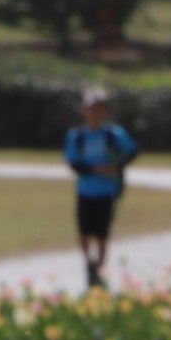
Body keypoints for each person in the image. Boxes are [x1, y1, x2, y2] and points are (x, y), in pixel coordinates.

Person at [64, 87, 138, 291]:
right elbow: (73, 164)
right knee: (83, 232)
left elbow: (132, 151)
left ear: (106, 112)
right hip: (85, 190)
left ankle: (101, 264)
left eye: (99, 109)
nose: (94, 113)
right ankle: (89, 262)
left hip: (107, 191)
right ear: (84, 111)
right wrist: (96, 169)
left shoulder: (114, 135)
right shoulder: (77, 136)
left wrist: (116, 167)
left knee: (102, 232)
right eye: (91, 109)